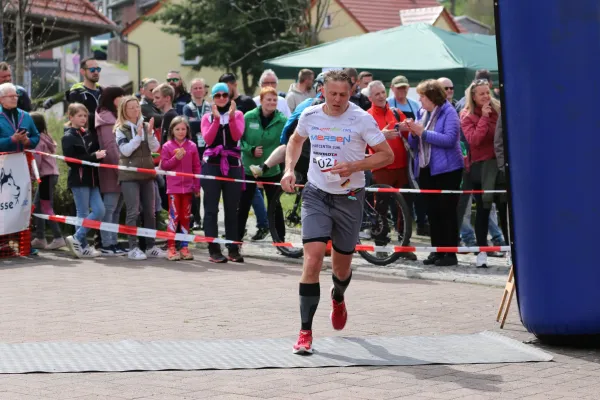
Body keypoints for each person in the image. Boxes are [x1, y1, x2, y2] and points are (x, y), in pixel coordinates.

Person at [281, 70, 393, 354]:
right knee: (313, 259)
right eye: (332, 94)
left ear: (352, 90)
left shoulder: (361, 119)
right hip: (317, 193)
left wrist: (354, 166)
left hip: (349, 197)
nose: (338, 100)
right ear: (322, 90)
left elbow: (386, 155)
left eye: (344, 94)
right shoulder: (310, 115)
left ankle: (338, 295)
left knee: (341, 268)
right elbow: (295, 141)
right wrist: (289, 169)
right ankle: (305, 332)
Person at [407, 80, 464, 267]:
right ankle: (436, 250)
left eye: (422, 96)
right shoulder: (422, 112)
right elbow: (414, 144)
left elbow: (450, 139)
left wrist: (422, 133)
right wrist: (411, 133)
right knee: (432, 212)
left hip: (448, 170)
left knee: (446, 212)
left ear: (432, 97)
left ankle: (449, 253)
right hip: (426, 169)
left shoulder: (449, 112)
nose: (419, 100)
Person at [366, 80, 416, 261]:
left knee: (405, 208)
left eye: (382, 92)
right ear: (370, 97)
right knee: (381, 208)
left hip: (401, 167)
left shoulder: (396, 112)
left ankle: (404, 245)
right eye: (376, 94)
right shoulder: (367, 116)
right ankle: (381, 245)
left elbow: (409, 134)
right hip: (381, 168)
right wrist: (382, 135)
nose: (380, 96)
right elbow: (362, 141)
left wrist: (407, 128)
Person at [115, 96, 167, 260]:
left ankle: (151, 246)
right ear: (124, 110)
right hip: (129, 176)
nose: (135, 110)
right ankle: (133, 247)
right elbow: (125, 151)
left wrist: (150, 134)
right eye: (131, 108)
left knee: (150, 212)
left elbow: (156, 147)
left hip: (147, 173)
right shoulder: (120, 129)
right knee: (133, 212)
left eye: (137, 107)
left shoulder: (145, 126)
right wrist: (137, 137)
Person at [200, 83, 245, 263]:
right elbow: (208, 139)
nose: (221, 98)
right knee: (211, 209)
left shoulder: (239, 114)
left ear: (229, 97)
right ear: (212, 97)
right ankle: (213, 248)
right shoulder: (207, 117)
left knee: (232, 209)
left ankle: (233, 248)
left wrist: (232, 116)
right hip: (212, 165)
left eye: (224, 95)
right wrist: (217, 120)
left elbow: (236, 136)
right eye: (217, 95)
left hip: (232, 165)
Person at [460, 79, 502, 268]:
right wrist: (484, 118)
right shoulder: (467, 115)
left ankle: (508, 250)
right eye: (482, 94)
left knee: (503, 207)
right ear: (473, 97)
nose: (486, 97)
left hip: (499, 165)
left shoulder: (498, 109)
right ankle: (482, 252)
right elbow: (474, 140)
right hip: (480, 167)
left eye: (487, 93)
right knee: (483, 211)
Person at [238, 87, 287, 243]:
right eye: (269, 99)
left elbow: (287, 142)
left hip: (271, 170)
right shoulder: (248, 117)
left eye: (274, 100)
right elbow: (239, 140)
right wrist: (250, 150)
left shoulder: (282, 120)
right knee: (243, 204)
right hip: (249, 169)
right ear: (261, 100)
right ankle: (236, 239)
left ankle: (281, 241)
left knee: (275, 205)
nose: (272, 103)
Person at [62, 103, 106, 258]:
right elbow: (71, 161)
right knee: (82, 213)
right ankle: (83, 246)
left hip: (93, 179)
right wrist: (95, 156)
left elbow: (89, 157)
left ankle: (77, 238)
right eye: (79, 115)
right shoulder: (68, 136)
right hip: (79, 180)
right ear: (71, 117)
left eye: (85, 115)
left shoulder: (86, 134)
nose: (83, 118)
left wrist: (97, 156)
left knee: (100, 210)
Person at [160, 117, 201, 261]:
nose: (181, 132)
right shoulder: (167, 146)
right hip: (173, 189)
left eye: (183, 129)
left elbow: (196, 167)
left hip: (188, 188)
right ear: (172, 130)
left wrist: (197, 185)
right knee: (174, 217)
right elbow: (164, 166)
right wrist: (175, 158)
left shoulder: (192, 146)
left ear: (188, 130)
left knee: (185, 217)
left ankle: (184, 246)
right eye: (177, 129)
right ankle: (171, 247)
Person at [95, 86, 126, 256]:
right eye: (119, 96)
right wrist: (119, 168)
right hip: (112, 169)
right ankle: (106, 243)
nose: (123, 99)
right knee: (110, 208)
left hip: (120, 168)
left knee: (116, 209)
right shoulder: (107, 118)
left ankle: (113, 241)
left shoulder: (114, 116)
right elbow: (111, 147)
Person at [30, 112, 65, 251]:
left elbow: (36, 161)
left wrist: (32, 178)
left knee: (46, 207)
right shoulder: (46, 137)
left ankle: (58, 237)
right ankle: (40, 237)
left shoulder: (37, 140)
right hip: (51, 175)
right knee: (37, 206)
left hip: (45, 176)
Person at [183, 78, 212, 230]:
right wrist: (203, 124)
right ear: (191, 90)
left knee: (208, 186)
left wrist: (200, 125)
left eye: (201, 87)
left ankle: (208, 217)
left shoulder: (210, 106)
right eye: (195, 88)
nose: (198, 90)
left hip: (208, 149)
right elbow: (188, 125)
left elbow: (213, 124)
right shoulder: (187, 107)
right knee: (195, 187)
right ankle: (197, 218)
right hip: (194, 149)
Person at [65, 57, 103, 136]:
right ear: (82, 71)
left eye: (98, 69)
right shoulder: (76, 93)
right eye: (92, 70)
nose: (96, 72)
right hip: (86, 137)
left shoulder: (103, 92)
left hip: (104, 136)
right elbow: (76, 118)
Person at [0, 83, 39, 152]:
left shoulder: (25, 115)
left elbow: (36, 136)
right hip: (3, 160)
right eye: (11, 96)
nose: (15, 99)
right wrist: (11, 139)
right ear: (1, 99)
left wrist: (28, 141)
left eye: (16, 96)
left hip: (23, 159)